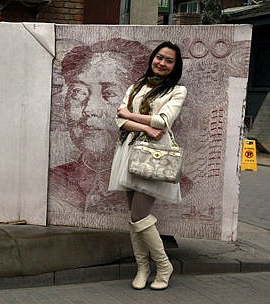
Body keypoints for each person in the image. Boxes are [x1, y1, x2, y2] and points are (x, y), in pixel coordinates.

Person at [108, 41, 187, 290]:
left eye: (168, 60)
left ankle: (164, 266)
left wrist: (130, 115)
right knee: (134, 216)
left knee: (138, 214)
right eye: (159, 57)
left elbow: (162, 122)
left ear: (175, 66)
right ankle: (142, 268)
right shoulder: (136, 86)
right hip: (129, 150)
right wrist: (141, 125)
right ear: (152, 58)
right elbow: (119, 120)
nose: (161, 63)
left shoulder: (177, 90)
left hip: (153, 156)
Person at [49, 38, 150, 214]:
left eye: (109, 93)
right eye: (78, 92)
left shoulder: (159, 183)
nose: (89, 109)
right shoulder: (51, 181)